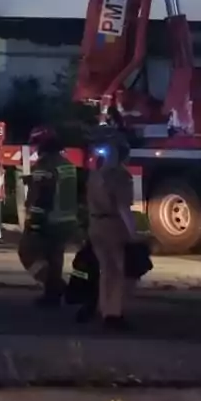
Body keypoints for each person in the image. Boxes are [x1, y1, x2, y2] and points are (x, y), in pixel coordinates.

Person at [84, 130, 138, 330]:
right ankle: (113, 314)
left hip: (95, 224)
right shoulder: (120, 176)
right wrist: (133, 233)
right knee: (117, 271)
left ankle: (104, 308)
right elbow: (123, 208)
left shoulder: (95, 174)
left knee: (105, 270)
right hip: (112, 227)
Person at [21, 125, 80, 307]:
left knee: (27, 252)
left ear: (42, 145)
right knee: (55, 258)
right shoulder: (67, 165)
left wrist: (33, 220)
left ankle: (57, 287)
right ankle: (52, 296)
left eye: (36, 144)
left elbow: (42, 195)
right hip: (67, 221)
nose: (34, 148)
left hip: (49, 220)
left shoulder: (44, 165)